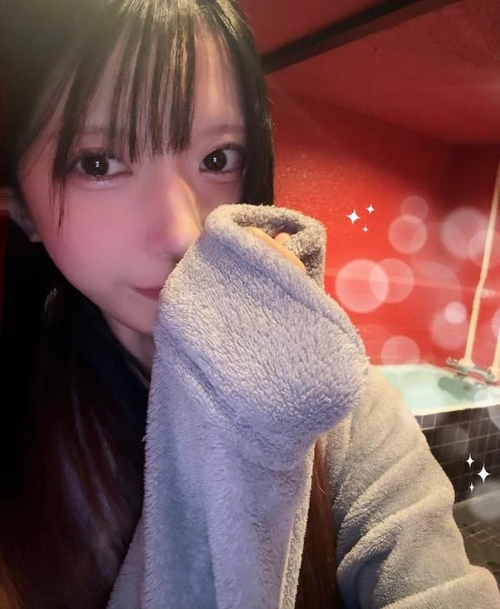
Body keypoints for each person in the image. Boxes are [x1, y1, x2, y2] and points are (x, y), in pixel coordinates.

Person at [0, 1, 499, 608]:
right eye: (98, 163)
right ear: (19, 206)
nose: (182, 232)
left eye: (218, 160)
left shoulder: (339, 409)